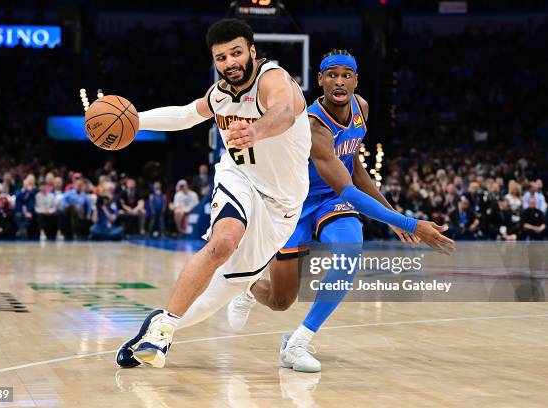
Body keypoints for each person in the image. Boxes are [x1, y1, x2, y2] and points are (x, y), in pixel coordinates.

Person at [116, 20, 450, 370]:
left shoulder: (275, 79)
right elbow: (186, 114)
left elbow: (284, 113)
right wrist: (133, 121)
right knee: (223, 242)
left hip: (284, 203)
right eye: (221, 57)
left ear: (252, 52)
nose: (229, 62)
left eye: (236, 53)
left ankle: (159, 326)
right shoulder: (220, 95)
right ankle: (163, 329)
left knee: (243, 298)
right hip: (241, 177)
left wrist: (256, 130)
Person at [225, 50, 455, 372]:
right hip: (297, 202)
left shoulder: (361, 108)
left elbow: (356, 169)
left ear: (356, 81)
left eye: (347, 75)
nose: (339, 81)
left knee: (350, 250)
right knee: (280, 301)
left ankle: (298, 343)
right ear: (320, 80)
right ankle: (247, 285)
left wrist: (392, 217)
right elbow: (348, 189)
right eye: (332, 74)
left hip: (333, 202)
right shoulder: (314, 126)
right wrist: (411, 223)